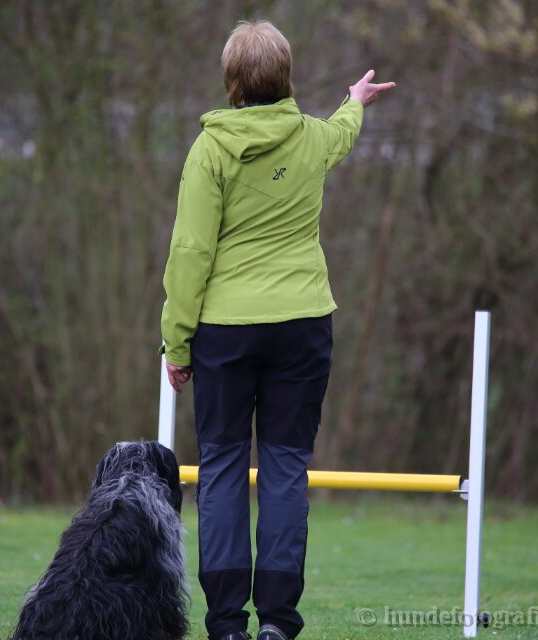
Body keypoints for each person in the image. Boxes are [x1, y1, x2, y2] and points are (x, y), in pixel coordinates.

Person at [160, 19, 394, 640]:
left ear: (231, 81)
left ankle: (226, 623)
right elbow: (341, 134)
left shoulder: (209, 150)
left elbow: (190, 252)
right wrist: (355, 101)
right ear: (286, 77)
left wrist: (176, 343)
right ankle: (279, 623)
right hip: (302, 327)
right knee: (286, 469)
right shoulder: (310, 138)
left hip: (225, 332)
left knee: (222, 468)